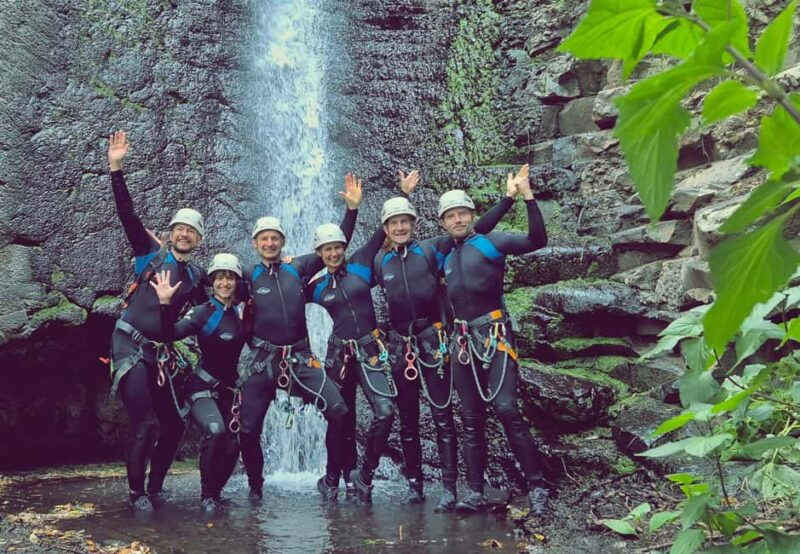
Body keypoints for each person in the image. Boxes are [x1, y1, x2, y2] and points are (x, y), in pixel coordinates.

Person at [374, 170, 518, 512]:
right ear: (385, 229)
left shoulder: (432, 249)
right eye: (393, 223)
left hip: (434, 340)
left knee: (442, 416)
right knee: (407, 419)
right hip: (401, 345)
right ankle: (415, 485)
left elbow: (473, 229)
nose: (399, 227)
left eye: (405, 221)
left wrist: (509, 199)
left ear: (414, 223)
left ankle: (450, 489)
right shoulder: (381, 261)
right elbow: (348, 268)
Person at [236, 175, 361, 502]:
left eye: (274, 238)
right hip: (263, 361)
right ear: (255, 243)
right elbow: (216, 289)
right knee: (247, 428)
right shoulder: (248, 276)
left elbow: (334, 247)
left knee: (339, 410)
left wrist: (351, 209)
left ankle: (330, 478)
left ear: (283, 241)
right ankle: (255, 486)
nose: (269, 243)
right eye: (264, 239)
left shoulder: (299, 267)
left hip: (301, 358)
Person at [438, 164, 552, 515]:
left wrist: (526, 197)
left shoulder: (492, 243)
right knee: (470, 417)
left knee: (506, 409)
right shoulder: (445, 255)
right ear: (443, 222)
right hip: (462, 341)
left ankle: (537, 486)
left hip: (495, 334)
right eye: (451, 216)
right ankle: (475, 491)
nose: (458, 220)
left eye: (463, 213)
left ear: (473, 215)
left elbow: (537, 241)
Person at [107, 131, 207, 511]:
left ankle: (155, 488)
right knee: (146, 423)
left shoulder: (196, 277)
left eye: (191, 231)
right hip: (129, 343)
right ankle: (137, 496)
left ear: (198, 239)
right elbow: (127, 215)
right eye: (180, 228)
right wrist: (116, 168)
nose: (184, 233)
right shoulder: (150, 253)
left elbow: (219, 302)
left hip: (159, 353)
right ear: (171, 232)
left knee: (175, 424)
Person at [305, 174, 396, 504]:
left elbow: (382, 231)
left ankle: (363, 474)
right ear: (319, 252)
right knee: (339, 417)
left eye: (337, 247)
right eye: (327, 249)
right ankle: (332, 478)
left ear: (344, 248)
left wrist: (354, 208)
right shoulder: (316, 287)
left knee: (385, 411)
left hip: (370, 349)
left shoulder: (360, 264)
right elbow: (284, 300)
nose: (333, 253)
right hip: (338, 355)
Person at [151, 253, 246, 512]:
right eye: (219, 278)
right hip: (201, 387)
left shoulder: (241, 311)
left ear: (237, 281)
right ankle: (206, 497)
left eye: (230, 278)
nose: (224, 283)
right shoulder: (204, 312)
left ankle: (216, 493)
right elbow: (170, 333)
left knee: (234, 445)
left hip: (229, 391)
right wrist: (164, 304)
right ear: (212, 281)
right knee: (215, 431)